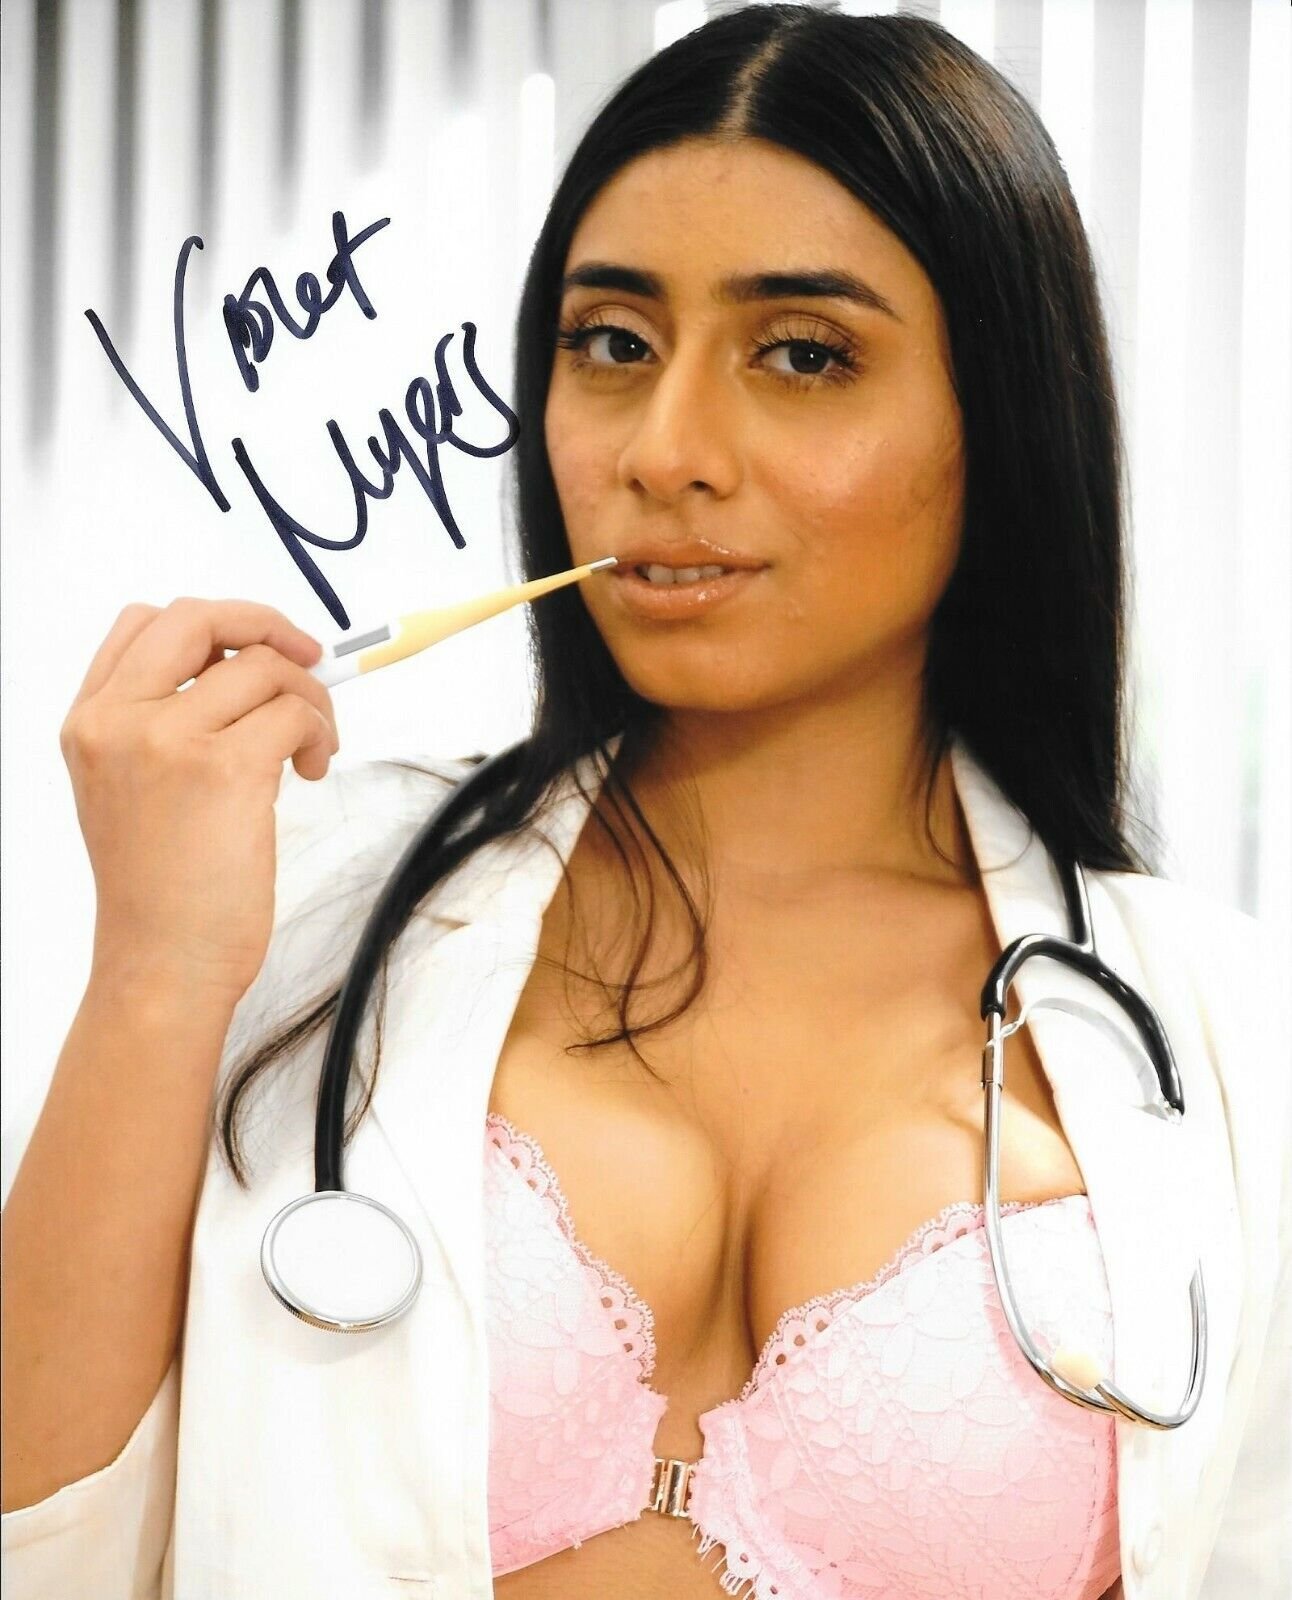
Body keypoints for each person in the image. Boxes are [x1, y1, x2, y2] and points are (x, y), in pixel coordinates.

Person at [2, 6, 1287, 1598]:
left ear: (1003, 422)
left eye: (802, 355)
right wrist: (153, 966)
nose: (664, 451)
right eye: (612, 343)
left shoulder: (1224, 1039)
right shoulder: (298, 903)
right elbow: (37, 1544)